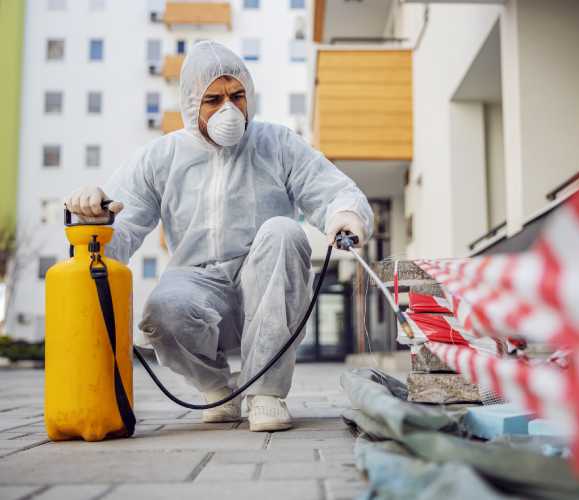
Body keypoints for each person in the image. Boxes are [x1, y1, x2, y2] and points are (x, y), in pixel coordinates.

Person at [64, 41, 373, 432]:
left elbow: (331, 190)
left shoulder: (276, 144)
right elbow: (120, 228)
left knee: (284, 231)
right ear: (192, 104)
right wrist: (95, 217)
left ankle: (265, 393)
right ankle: (217, 388)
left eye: (237, 95)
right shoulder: (160, 157)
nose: (229, 108)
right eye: (213, 99)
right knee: (161, 310)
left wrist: (345, 214)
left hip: (265, 286)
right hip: (197, 286)